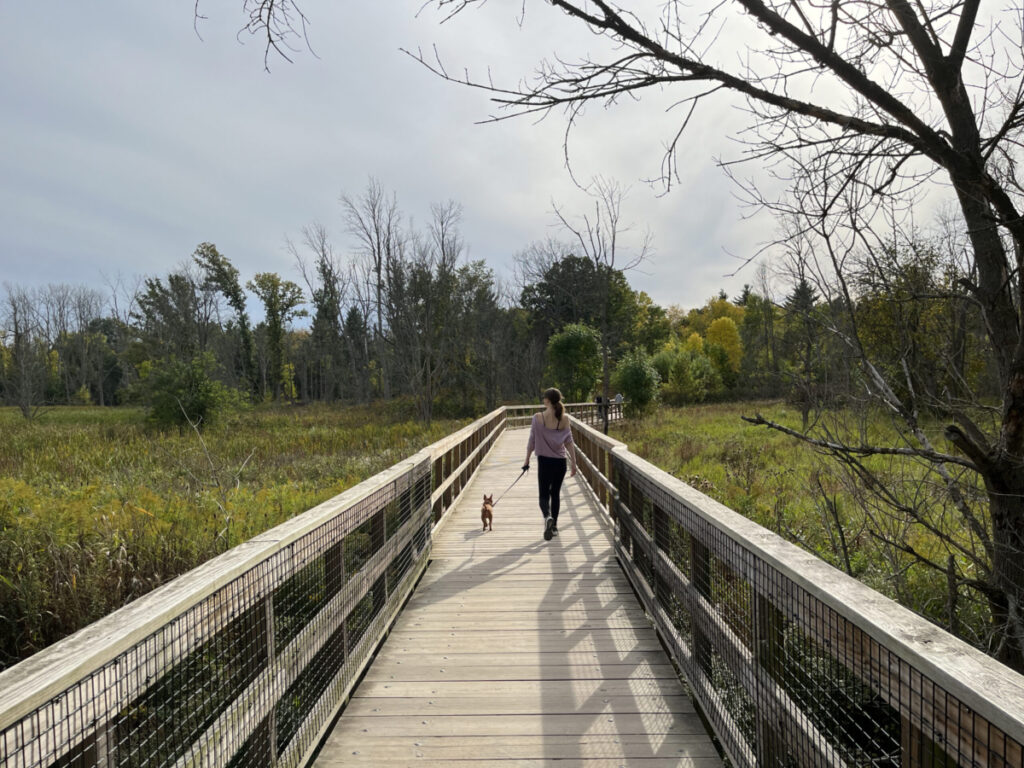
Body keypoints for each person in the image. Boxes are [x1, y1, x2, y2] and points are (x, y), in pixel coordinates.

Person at [523, 387, 578, 541]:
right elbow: (569, 443)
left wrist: (527, 459)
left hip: (545, 462)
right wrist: (574, 463)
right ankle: (554, 527)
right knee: (555, 494)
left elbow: (531, 441)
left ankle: (547, 517)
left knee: (543, 494)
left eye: (544, 398)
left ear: (547, 400)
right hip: (561, 462)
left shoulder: (538, 417)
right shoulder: (565, 418)